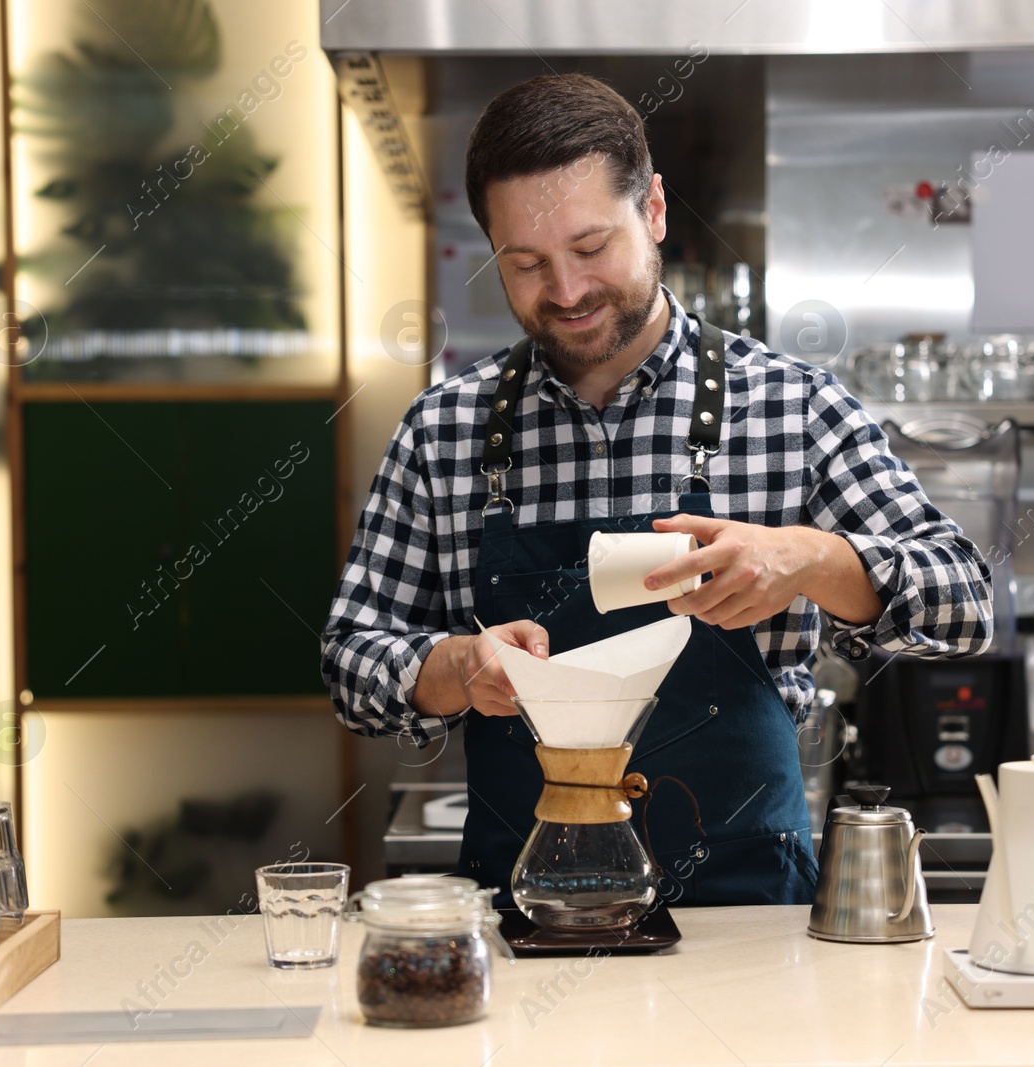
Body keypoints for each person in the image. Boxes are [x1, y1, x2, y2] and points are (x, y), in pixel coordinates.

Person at [322, 73, 992, 905]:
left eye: (591, 247)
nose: (565, 291)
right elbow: (352, 660)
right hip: (528, 916)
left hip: (748, 927)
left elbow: (965, 602)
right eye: (525, 263)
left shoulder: (794, 408)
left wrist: (811, 559)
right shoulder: (444, 431)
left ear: (656, 212)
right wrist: (453, 666)